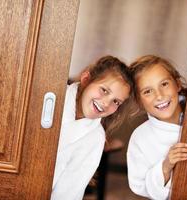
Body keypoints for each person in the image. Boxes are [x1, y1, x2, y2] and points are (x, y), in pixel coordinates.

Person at [51, 56, 134, 200]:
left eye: (116, 101)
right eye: (104, 90)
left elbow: (69, 190)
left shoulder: (95, 138)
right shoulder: (50, 99)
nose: (106, 103)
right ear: (86, 79)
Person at [127, 55, 187, 200]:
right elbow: (140, 186)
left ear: (177, 84)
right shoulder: (140, 138)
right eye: (147, 91)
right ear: (139, 101)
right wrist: (166, 166)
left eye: (164, 84)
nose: (159, 96)